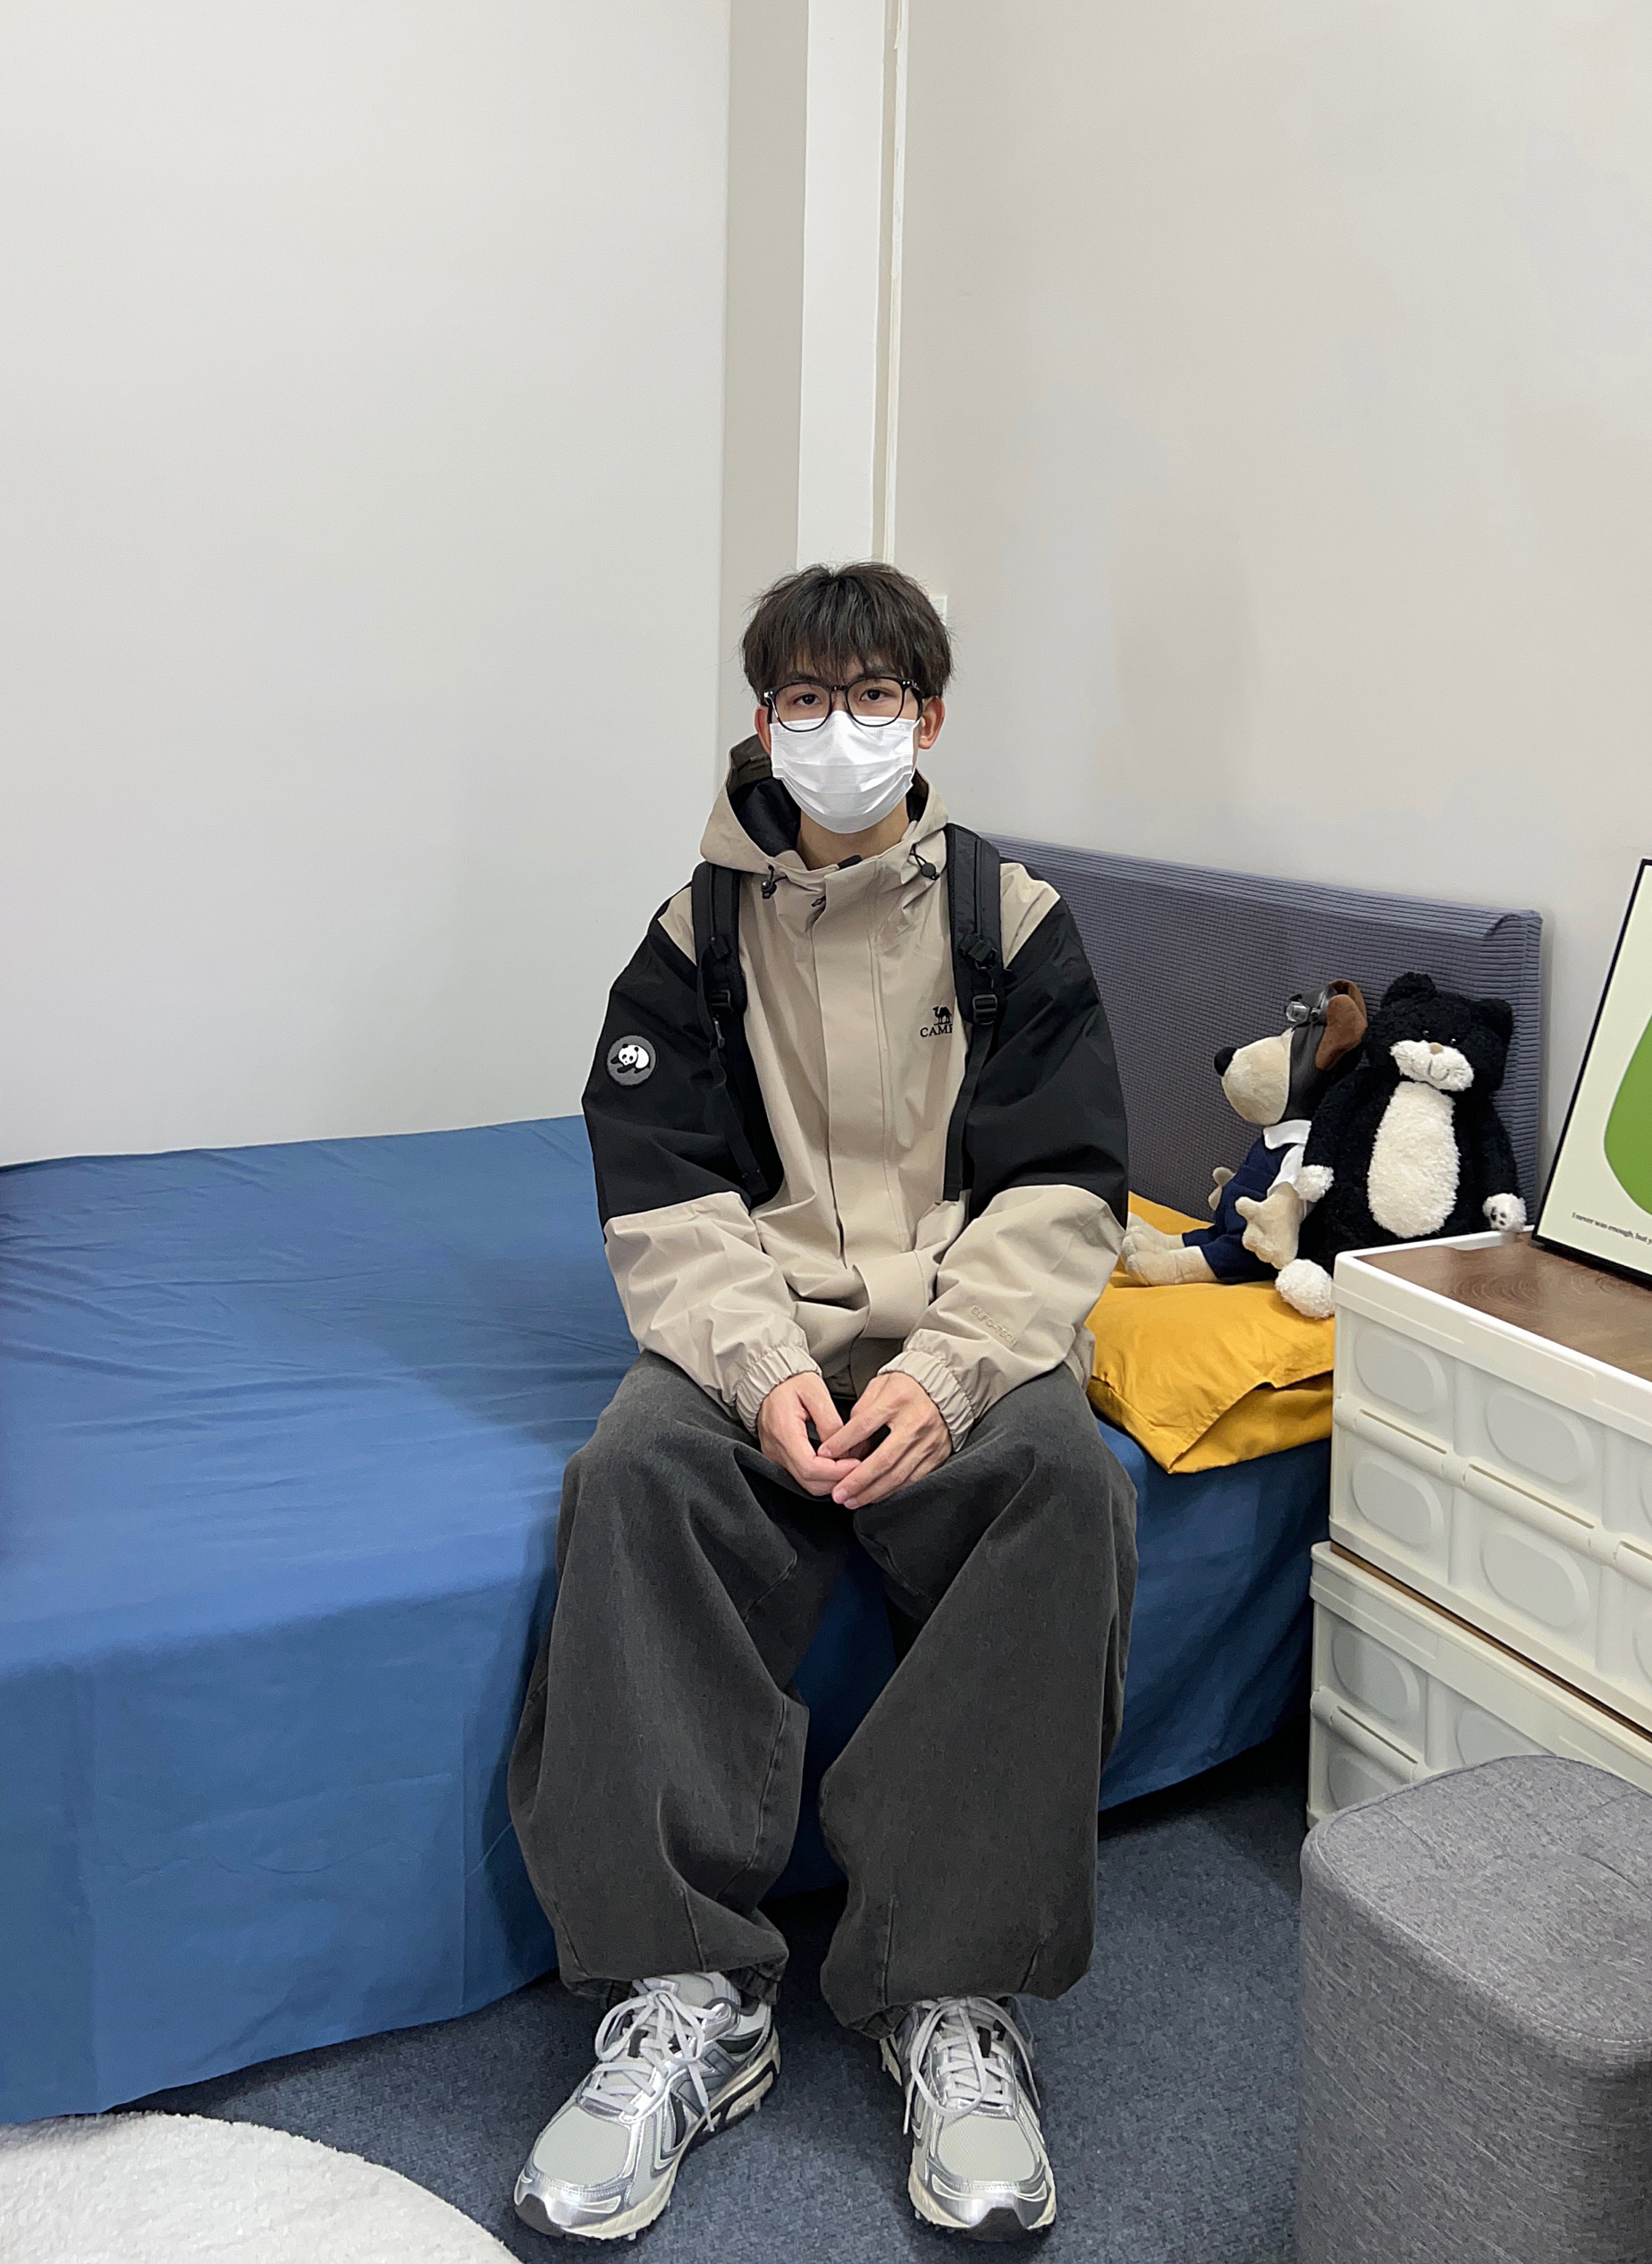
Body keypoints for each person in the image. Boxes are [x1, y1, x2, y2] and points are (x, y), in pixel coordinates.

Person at [509, 562, 1136, 2243]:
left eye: (872, 700)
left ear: (926, 719)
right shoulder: (692, 936)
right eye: (805, 699)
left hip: (964, 1326)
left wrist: (945, 1373)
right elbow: (662, 1194)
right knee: (635, 1474)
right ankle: (686, 1997)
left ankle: (950, 1991)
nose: (838, 731)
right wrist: (766, 1367)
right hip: (755, 1326)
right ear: (762, 717)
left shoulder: (1014, 925)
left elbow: (1066, 1189)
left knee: (1068, 1485)